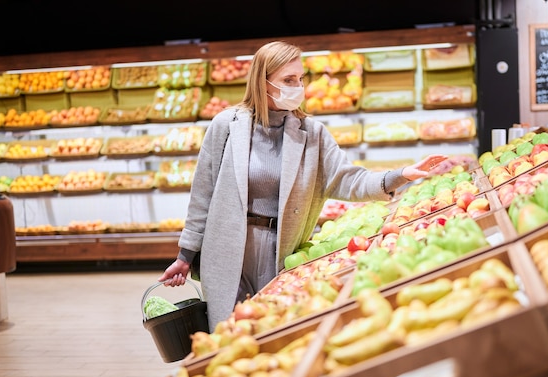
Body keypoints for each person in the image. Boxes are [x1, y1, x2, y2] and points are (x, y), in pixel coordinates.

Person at [158, 40, 447, 332]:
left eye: (300, 79)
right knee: (229, 331)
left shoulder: (312, 133)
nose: (297, 86)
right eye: (288, 80)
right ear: (264, 82)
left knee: (273, 328)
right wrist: (186, 256)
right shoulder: (227, 125)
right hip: (226, 246)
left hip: (280, 249)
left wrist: (401, 175)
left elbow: (347, 178)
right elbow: (203, 193)